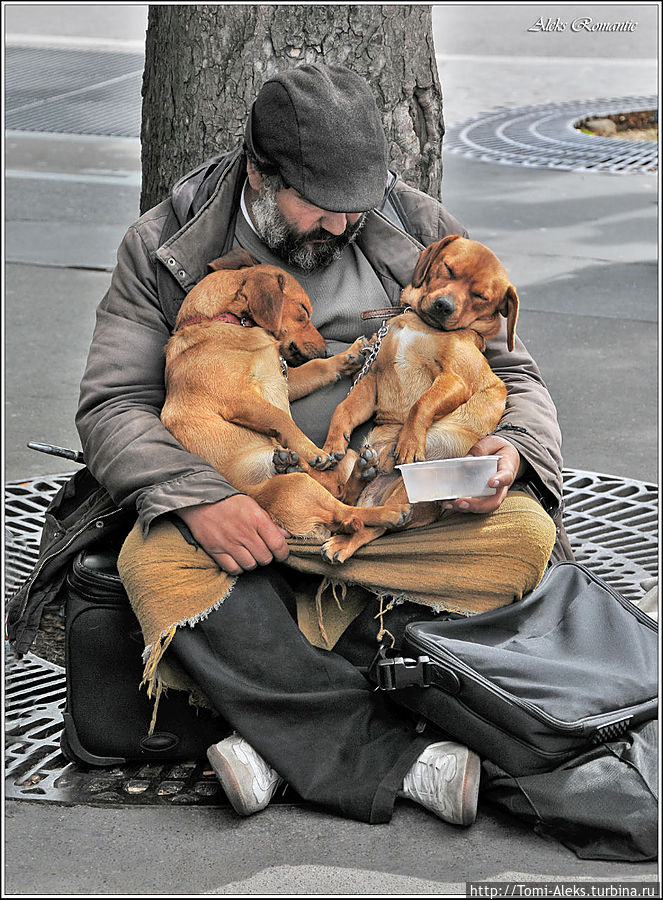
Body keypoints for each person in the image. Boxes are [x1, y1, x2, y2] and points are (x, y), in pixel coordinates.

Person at [10, 63, 569, 826]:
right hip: (244, 504)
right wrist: (198, 499)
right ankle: (398, 759)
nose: (343, 226)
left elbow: (515, 375)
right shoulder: (165, 247)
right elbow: (114, 406)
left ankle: (269, 734)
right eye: (322, 208)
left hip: (380, 501)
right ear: (260, 175)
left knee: (523, 540)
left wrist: (509, 451)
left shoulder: (411, 226)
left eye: (357, 208)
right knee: (156, 562)